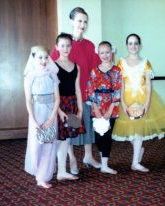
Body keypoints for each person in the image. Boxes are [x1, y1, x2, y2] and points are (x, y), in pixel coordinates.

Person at [112, 34, 165, 172]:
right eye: (130, 43)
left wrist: (147, 103)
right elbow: (121, 84)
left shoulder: (145, 62)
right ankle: (138, 148)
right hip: (127, 99)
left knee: (139, 130)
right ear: (126, 46)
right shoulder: (121, 62)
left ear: (140, 46)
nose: (133, 46)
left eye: (136, 43)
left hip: (143, 99)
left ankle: (135, 162)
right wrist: (122, 103)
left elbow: (148, 84)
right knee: (129, 130)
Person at [51, 7, 101, 174]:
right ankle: (71, 159)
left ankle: (88, 156)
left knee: (86, 124)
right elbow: (52, 65)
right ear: (72, 21)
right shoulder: (65, 44)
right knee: (70, 127)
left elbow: (95, 68)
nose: (82, 24)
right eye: (79, 20)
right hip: (69, 96)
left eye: (85, 21)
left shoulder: (89, 45)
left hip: (84, 94)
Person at [24, 46, 60, 188]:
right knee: (36, 144)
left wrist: (52, 117)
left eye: (46, 57)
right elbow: (28, 100)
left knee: (49, 144)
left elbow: (57, 98)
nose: (44, 60)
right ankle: (37, 171)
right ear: (33, 58)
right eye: (40, 57)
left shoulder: (52, 74)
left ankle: (42, 177)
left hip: (50, 112)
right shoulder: (30, 77)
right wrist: (33, 119)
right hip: (37, 114)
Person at [86, 41, 122, 174]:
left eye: (107, 52)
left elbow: (118, 90)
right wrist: (95, 108)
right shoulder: (94, 71)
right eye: (102, 53)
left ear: (111, 52)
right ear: (98, 53)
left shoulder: (117, 71)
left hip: (111, 107)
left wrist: (110, 110)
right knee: (98, 136)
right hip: (97, 107)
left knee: (106, 135)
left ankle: (105, 165)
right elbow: (90, 90)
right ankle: (103, 160)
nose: (105, 55)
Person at [55, 33, 83, 180]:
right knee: (58, 138)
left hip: (72, 105)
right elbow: (52, 91)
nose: (65, 48)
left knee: (67, 138)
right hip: (58, 105)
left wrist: (80, 109)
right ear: (57, 47)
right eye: (62, 45)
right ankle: (56, 169)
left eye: (68, 45)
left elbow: (77, 89)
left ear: (71, 47)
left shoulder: (76, 67)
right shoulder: (52, 66)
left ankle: (61, 171)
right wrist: (58, 111)